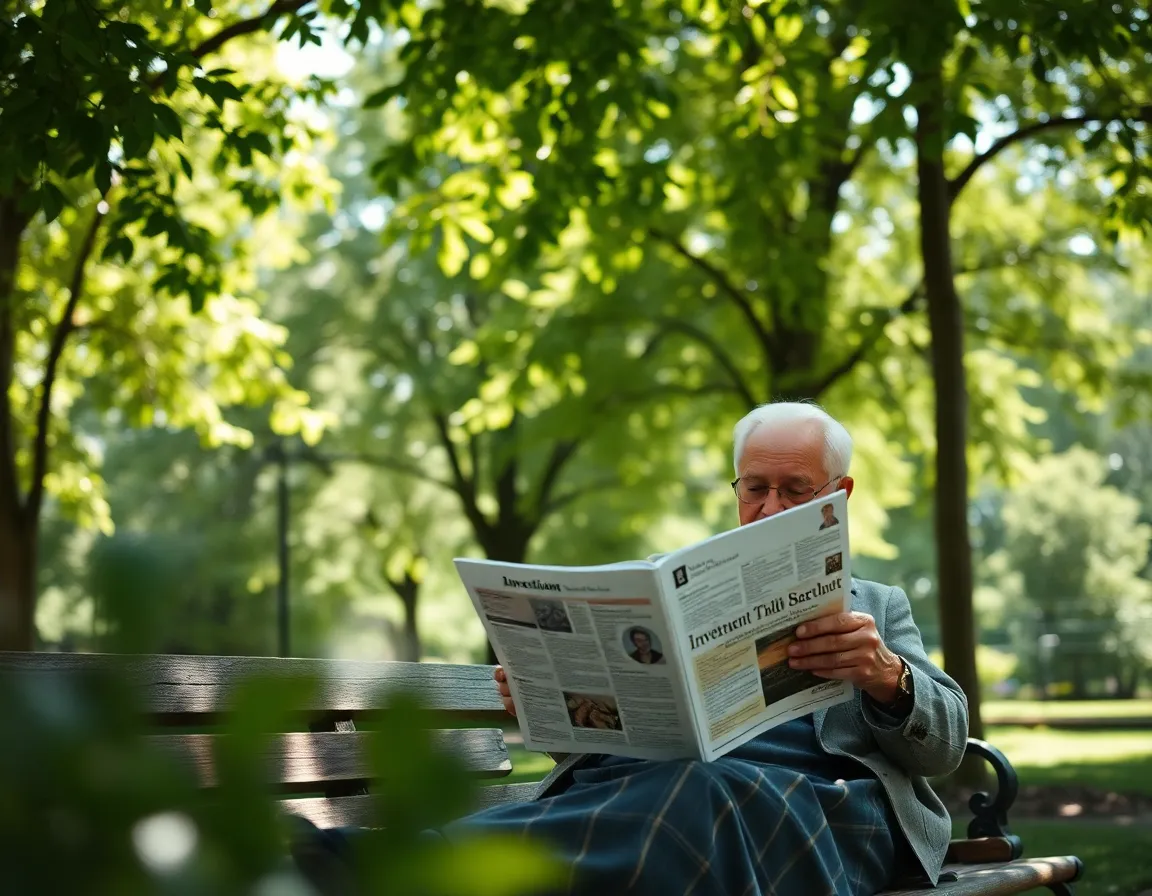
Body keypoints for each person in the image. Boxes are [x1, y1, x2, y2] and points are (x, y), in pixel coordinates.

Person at [292, 401, 968, 896]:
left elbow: (943, 749)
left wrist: (887, 676)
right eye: (753, 488)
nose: (766, 508)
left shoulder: (876, 605)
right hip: (655, 794)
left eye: (794, 491)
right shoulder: (674, 588)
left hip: (820, 812)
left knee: (702, 795)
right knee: (682, 799)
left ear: (839, 495)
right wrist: (548, 700)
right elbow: (604, 742)